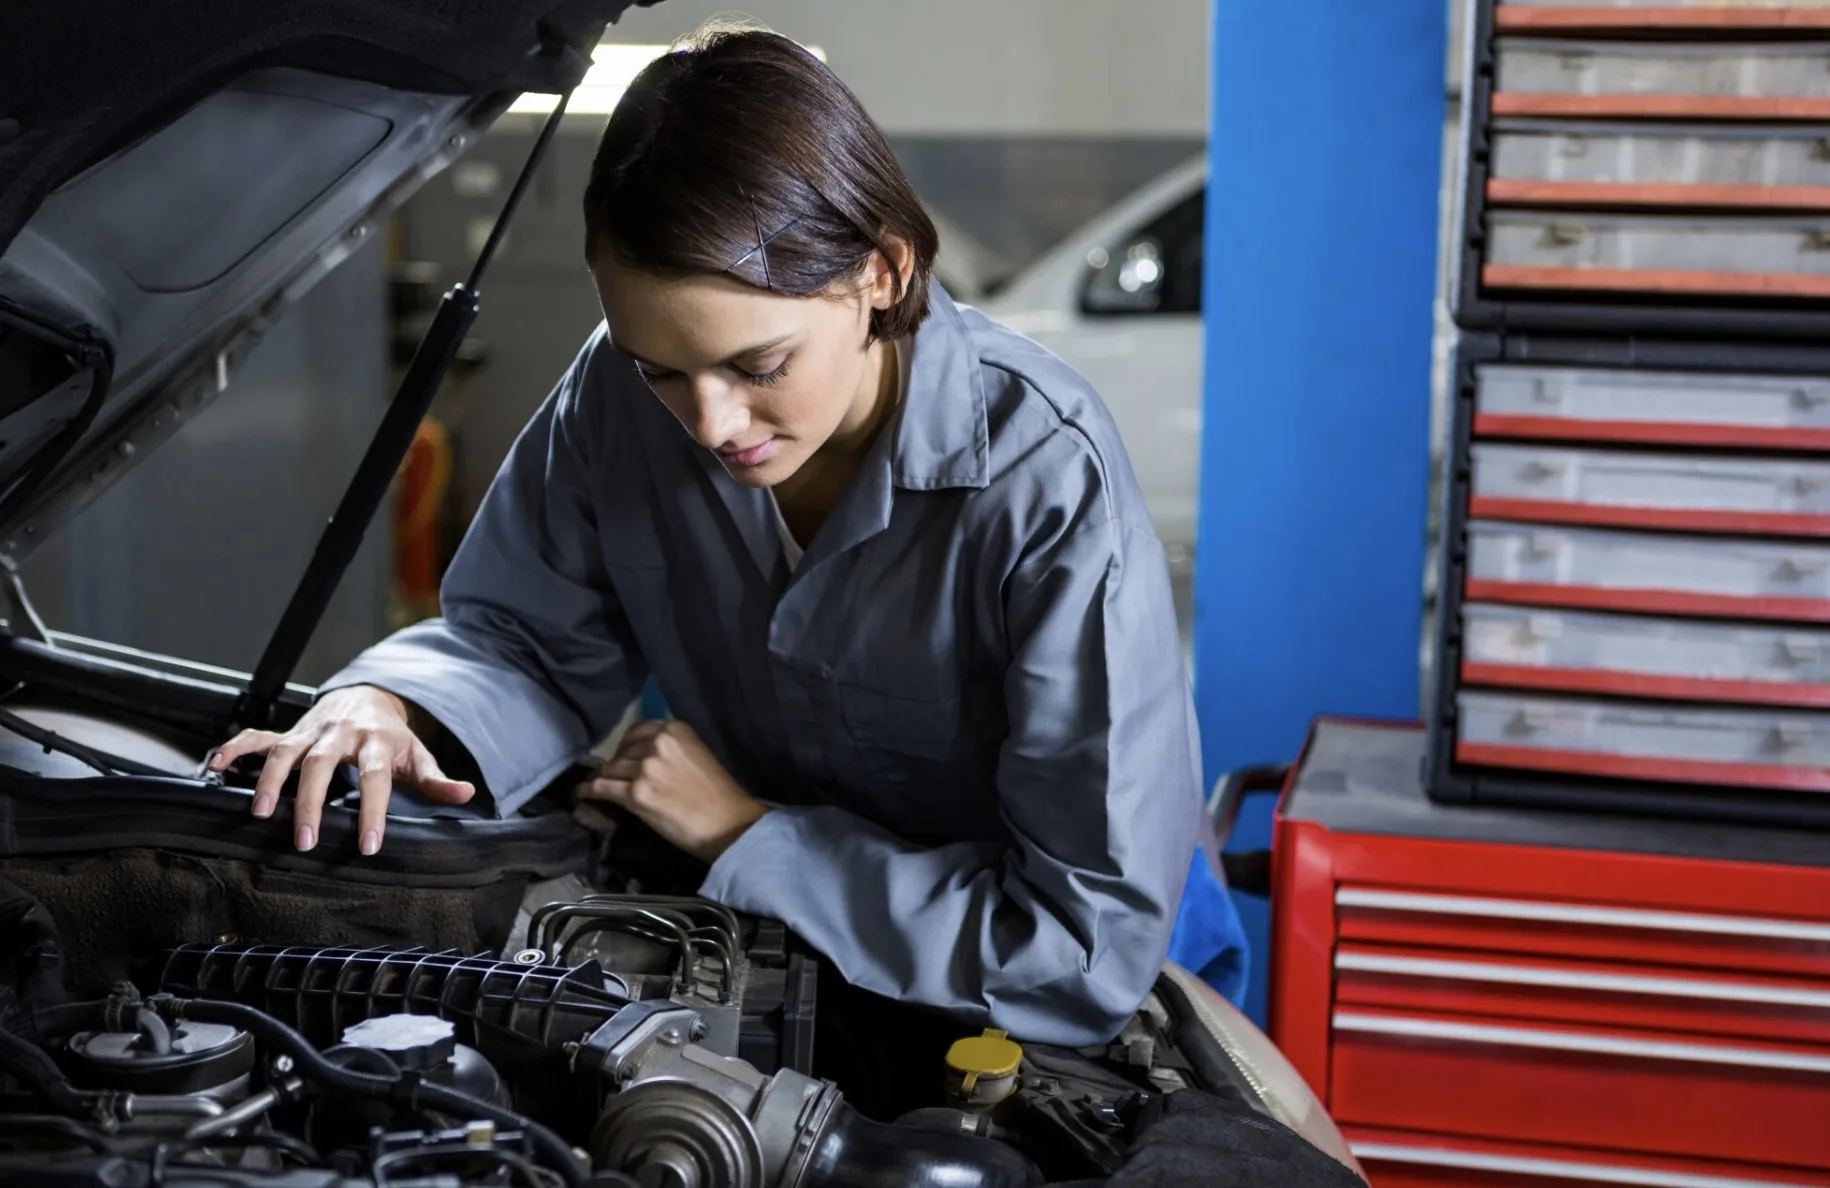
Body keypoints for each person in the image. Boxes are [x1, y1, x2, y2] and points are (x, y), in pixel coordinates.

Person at [212, 24, 1242, 1059]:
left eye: (759, 366)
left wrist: (749, 836)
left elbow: (1081, 949)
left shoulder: (1042, 478)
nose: (709, 426)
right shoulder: (619, 397)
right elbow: (522, 642)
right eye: (662, 369)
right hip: (790, 934)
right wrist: (390, 702)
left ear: (882, 272)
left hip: (1066, 978)